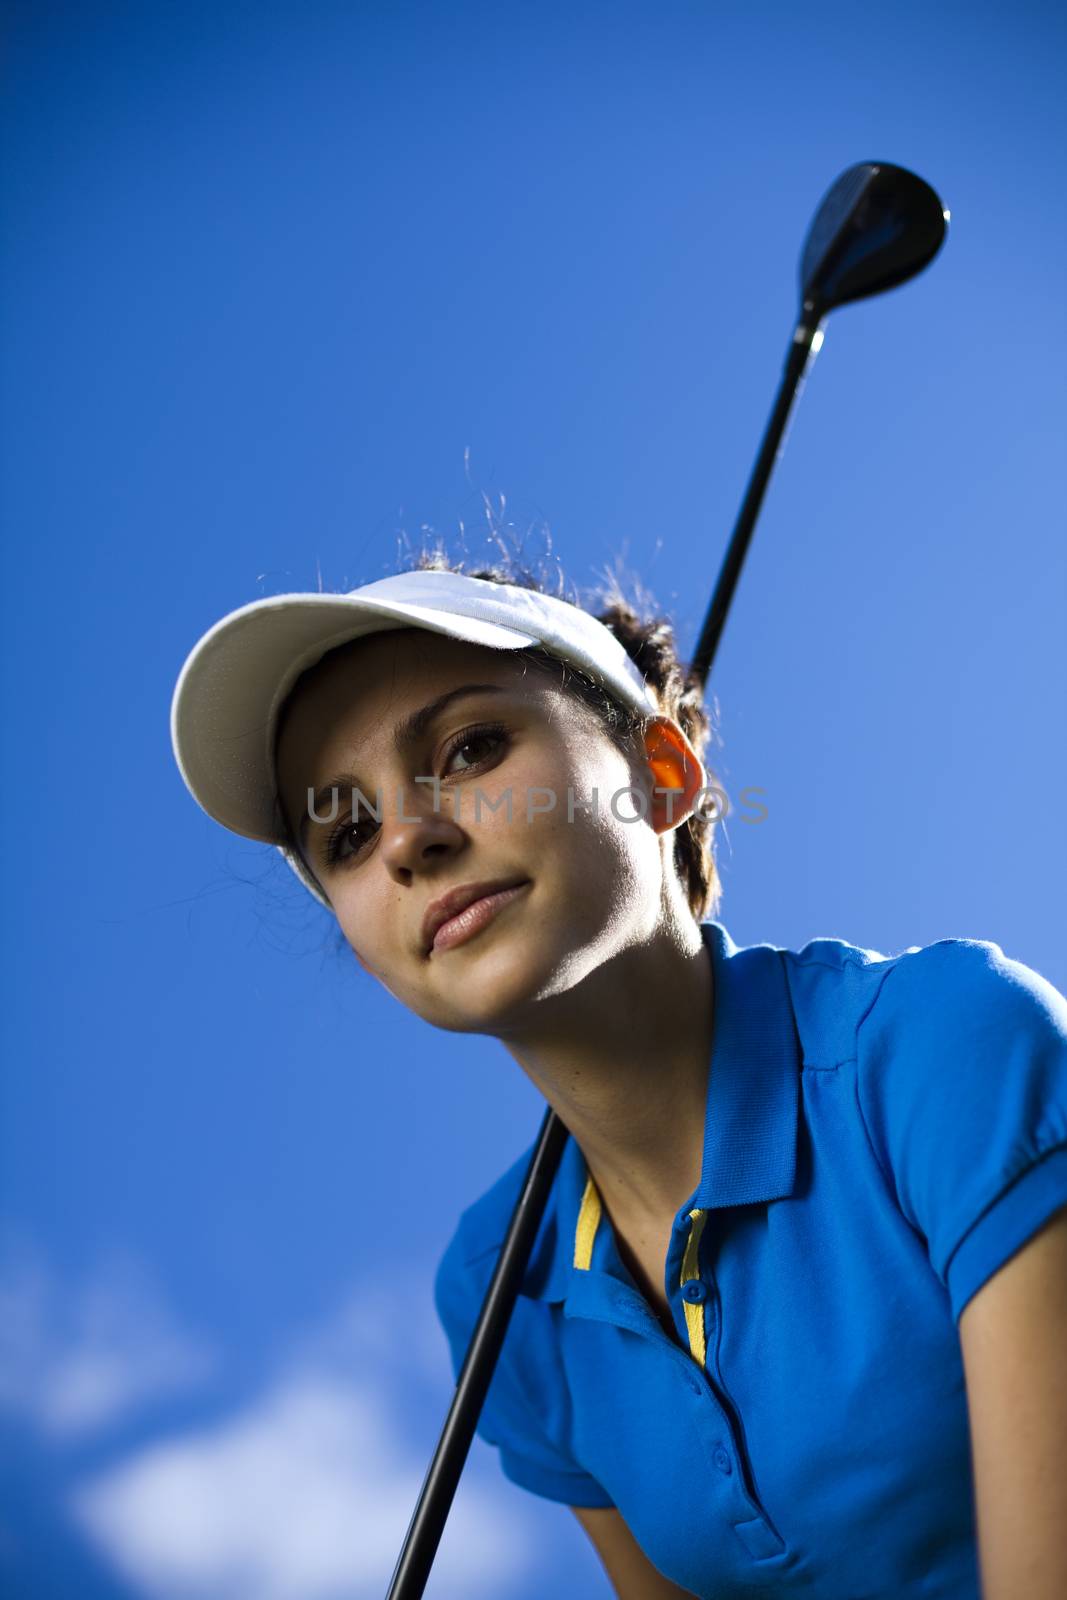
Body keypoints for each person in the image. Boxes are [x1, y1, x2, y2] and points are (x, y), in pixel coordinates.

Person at [170, 547, 1067, 1600]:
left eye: (468, 747)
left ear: (663, 772)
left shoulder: (942, 1047)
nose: (408, 839)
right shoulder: (493, 1289)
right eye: (349, 831)